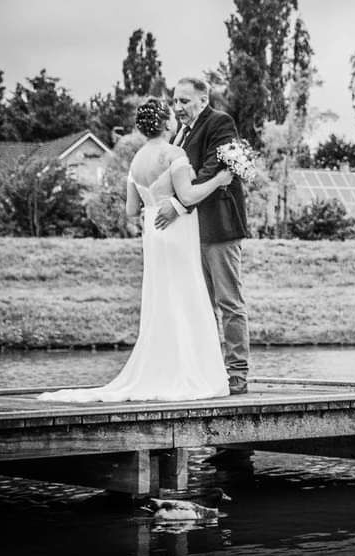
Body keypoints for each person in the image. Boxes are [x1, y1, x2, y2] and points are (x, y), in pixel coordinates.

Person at [38, 100, 233, 402]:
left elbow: (131, 210)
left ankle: (163, 369)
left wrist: (151, 202)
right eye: (172, 116)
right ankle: (190, 373)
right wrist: (220, 179)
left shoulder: (137, 159)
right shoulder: (174, 154)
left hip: (153, 235)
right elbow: (188, 195)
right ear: (166, 123)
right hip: (177, 232)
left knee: (163, 299)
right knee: (186, 296)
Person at [155, 77, 251, 395]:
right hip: (193, 232)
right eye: (175, 101)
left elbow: (212, 168)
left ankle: (237, 375)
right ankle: (208, 372)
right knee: (201, 303)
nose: (178, 106)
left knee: (229, 302)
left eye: (184, 100)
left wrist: (177, 204)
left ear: (203, 99)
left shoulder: (219, 123)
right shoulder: (181, 133)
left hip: (220, 227)